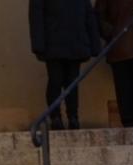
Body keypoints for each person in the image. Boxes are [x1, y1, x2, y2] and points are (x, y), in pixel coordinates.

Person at [29, 0, 101, 130]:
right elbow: (36, 14)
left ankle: (73, 116)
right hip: (54, 42)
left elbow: (88, 14)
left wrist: (95, 44)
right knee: (56, 80)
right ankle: (56, 117)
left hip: (74, 42)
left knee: (72, 82)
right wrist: (38, 44)